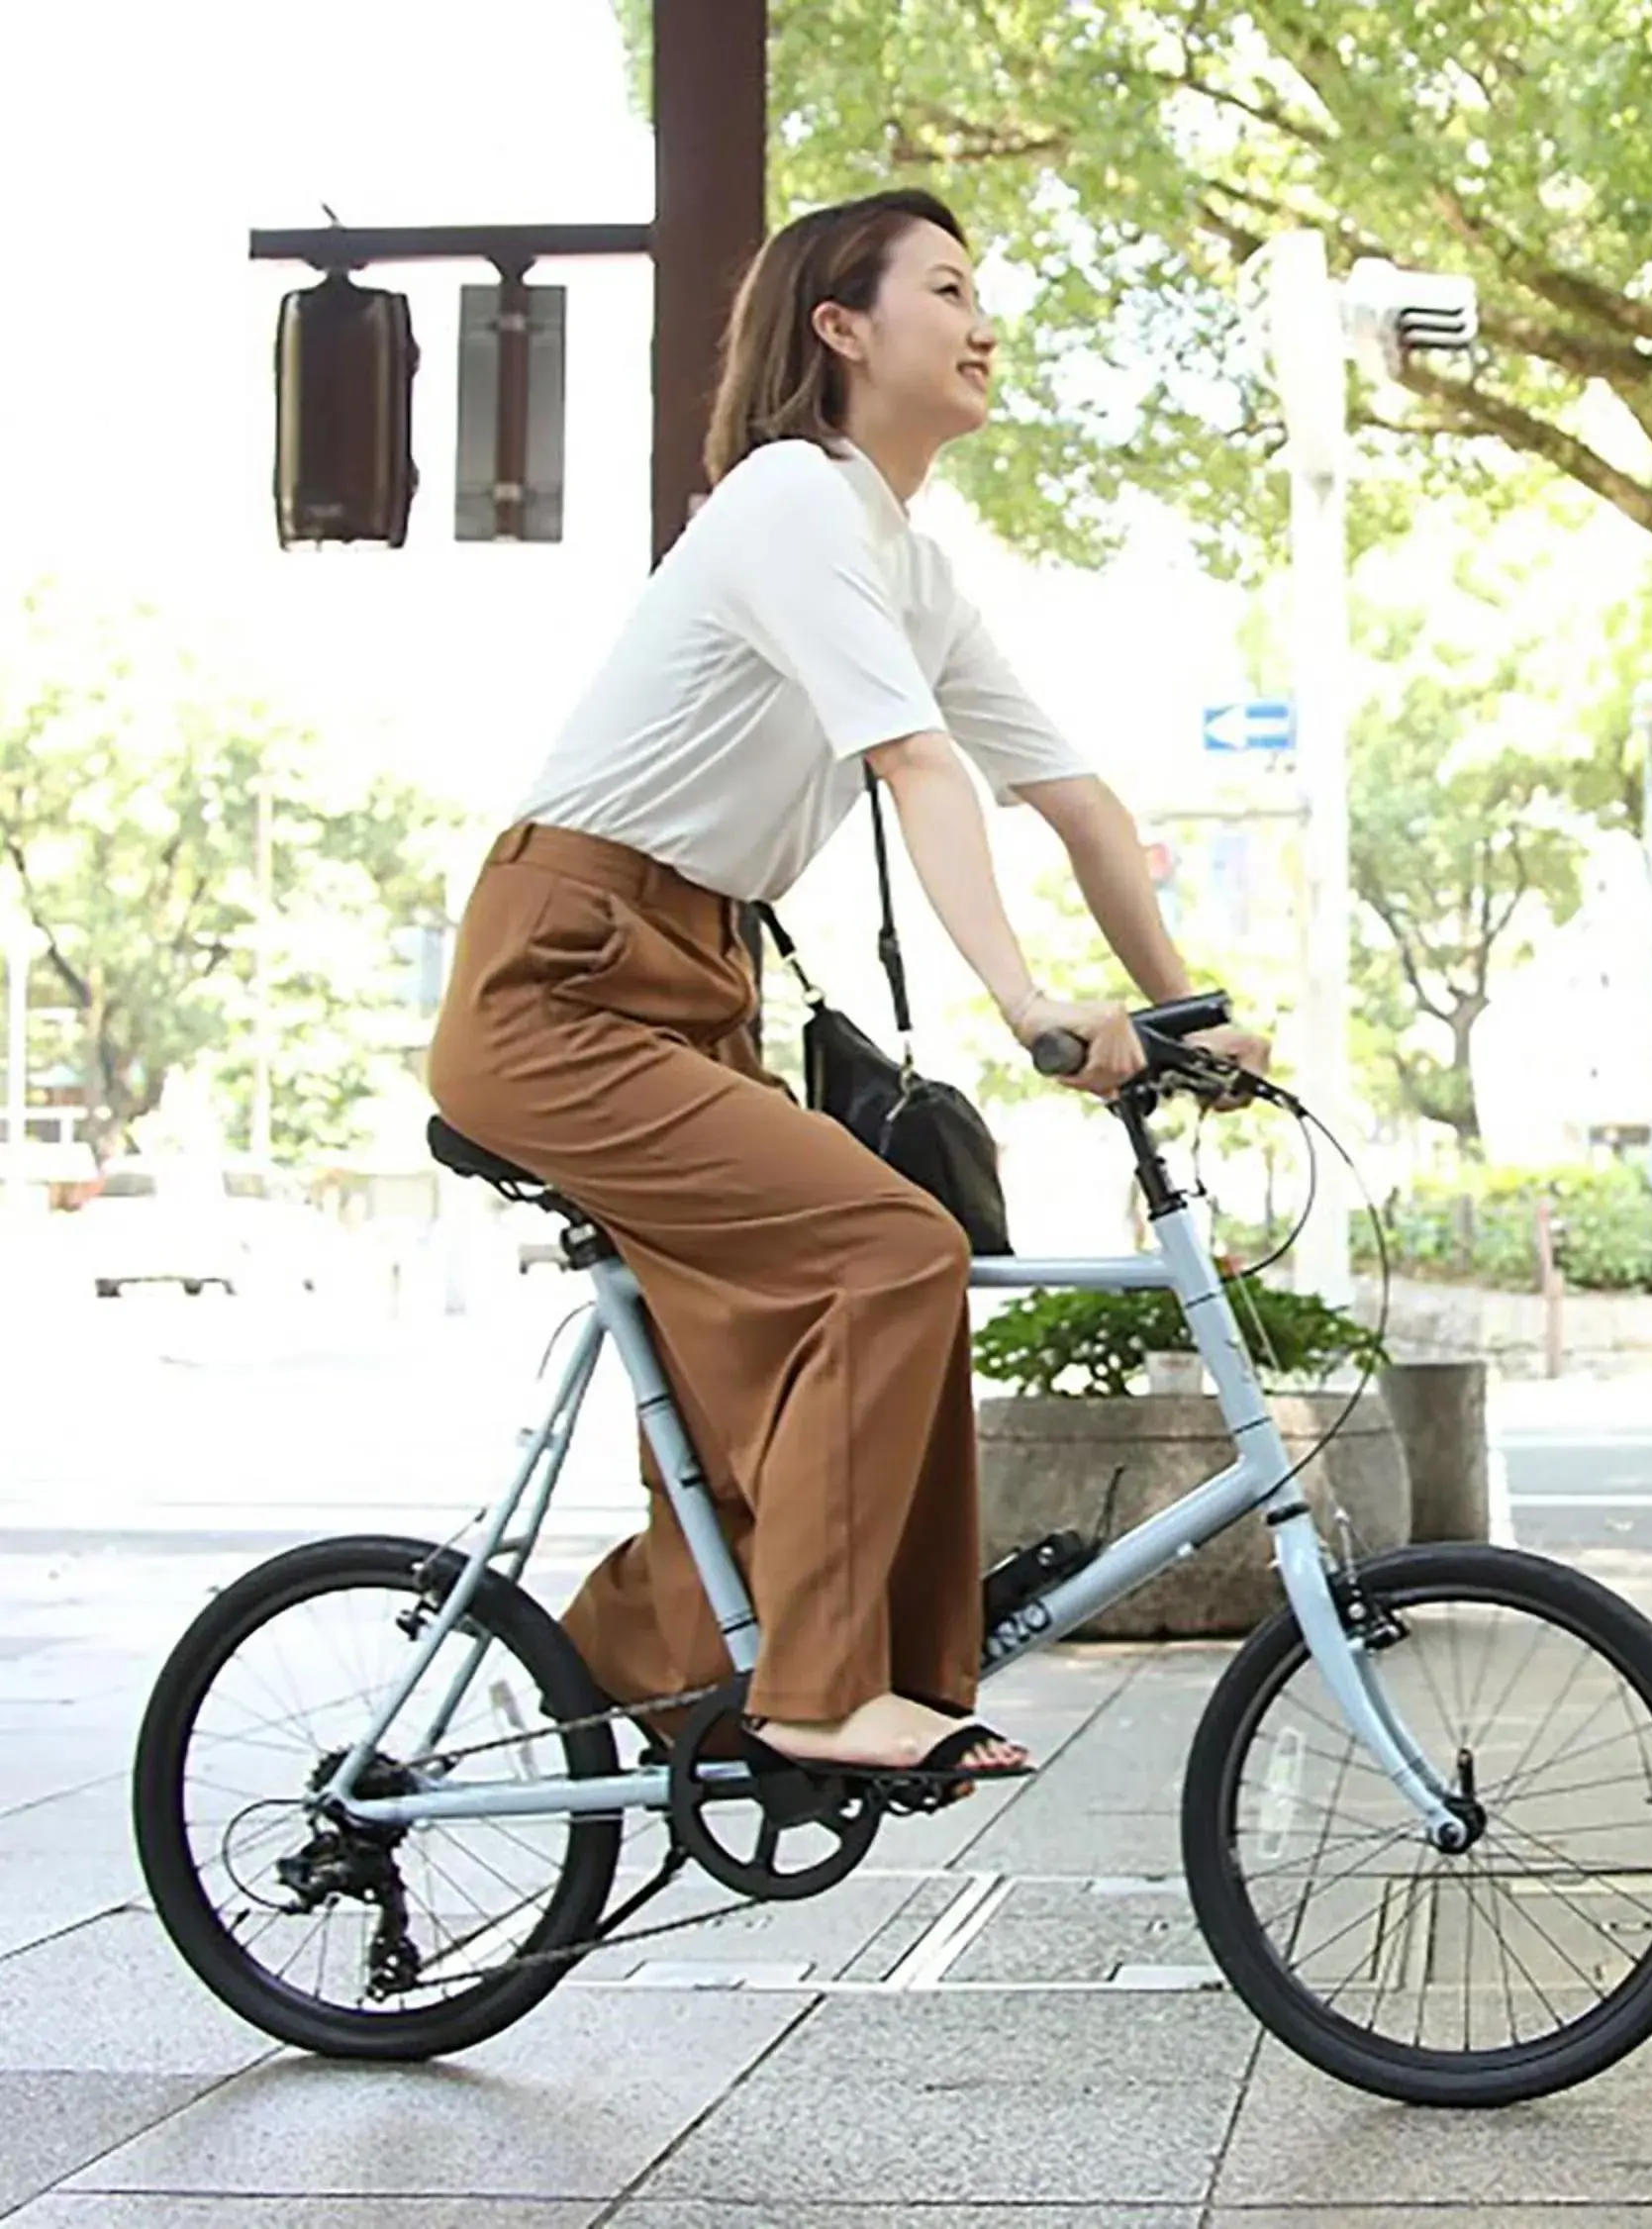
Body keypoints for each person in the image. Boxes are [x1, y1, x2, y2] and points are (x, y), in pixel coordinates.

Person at [428, 186, 1267, 1789]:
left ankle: (640, 1670)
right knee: (895, 1247)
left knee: (777, 1405)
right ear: (842, 325)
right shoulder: (789, 501)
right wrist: (1028, 1007)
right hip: (566, 978)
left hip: (690, 988)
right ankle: (812, 1697)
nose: (984, 320)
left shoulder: (904, 561)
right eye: (947, 287)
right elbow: (916, 766)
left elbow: (1076, 801)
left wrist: (1190, 1013)